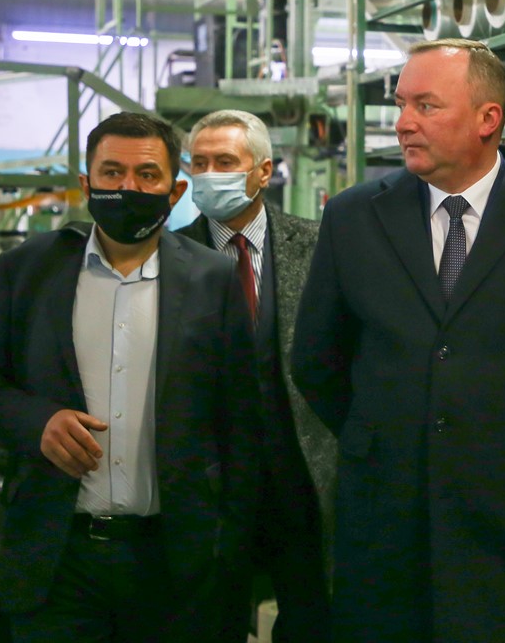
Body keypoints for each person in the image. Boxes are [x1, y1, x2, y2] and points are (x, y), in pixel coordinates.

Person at [292, 38, 505, 643]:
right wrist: (384, 434)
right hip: (383, 534)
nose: (404, 123)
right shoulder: (353, 217)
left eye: (426, 105)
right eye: (400, 105)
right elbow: (317, 361)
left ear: (487, 119)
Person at [0, 111, 260, 643]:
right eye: (112, 172)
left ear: (174, 191)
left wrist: (228, 542)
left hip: (174, 562)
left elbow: (241, 419)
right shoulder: (29, 269)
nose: (128, 187)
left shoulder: (212, 278)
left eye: (147, 175)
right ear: (86, 183)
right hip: (57, 558)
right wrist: (38, 422)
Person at [176, 109, 333, 641]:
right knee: (211, 619)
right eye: (199, 163)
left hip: (301, 475)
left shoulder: (317, 246)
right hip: (211, 483)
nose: (209, 174)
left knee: (312, 619)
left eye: (224, 162)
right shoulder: (173, 257)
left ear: (263, 171)